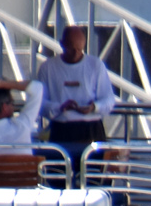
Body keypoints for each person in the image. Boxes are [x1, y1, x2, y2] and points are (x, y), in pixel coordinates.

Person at [36, 26, 115, 161]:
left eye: (79, 49)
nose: (76, 54)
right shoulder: (47, 67)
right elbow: (40, 103)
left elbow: (109, 99)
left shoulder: (96, 65)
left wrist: (94, 107)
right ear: (62, 44)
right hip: (61, 129)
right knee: (60, 170)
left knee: (93, 171)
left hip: (91, 128)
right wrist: (60, 107)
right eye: (71, 49)